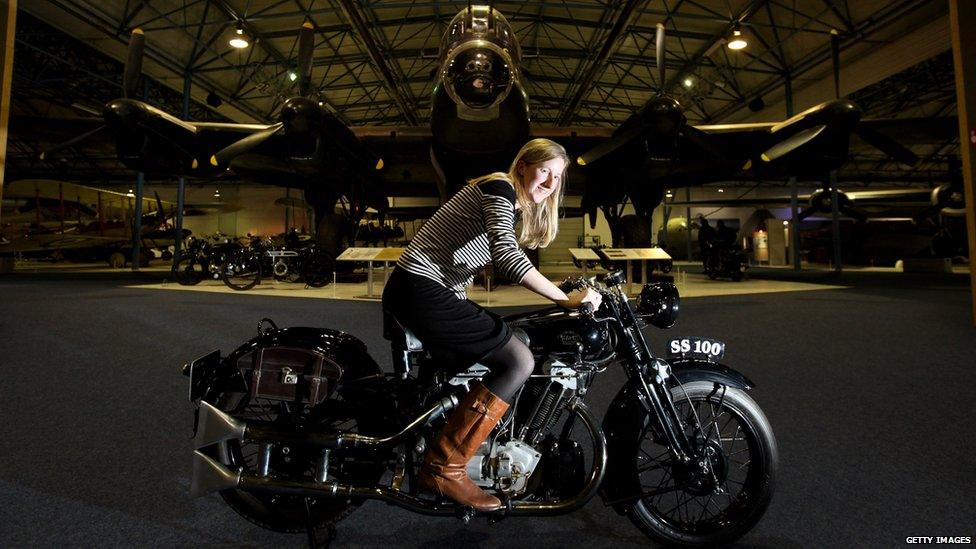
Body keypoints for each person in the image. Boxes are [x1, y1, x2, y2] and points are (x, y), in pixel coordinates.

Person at [381, 138, 602, 512]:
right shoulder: (499, 187)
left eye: (557, 177)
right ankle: (445, 467)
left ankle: (457, 437)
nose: (549, 183)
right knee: (518, 360)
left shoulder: (511, 201)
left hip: (428, 290)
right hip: (421, 288)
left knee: (515, 335)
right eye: (544, 170)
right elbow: (505, 255)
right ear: (523, 167)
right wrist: (563, 300)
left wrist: (565, 287)